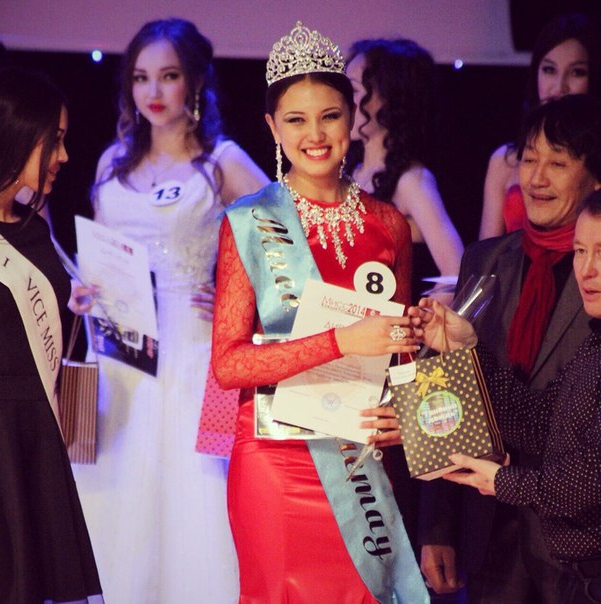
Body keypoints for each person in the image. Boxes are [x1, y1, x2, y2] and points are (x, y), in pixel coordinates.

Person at [211, 21, 428, 603]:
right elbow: (229, 365)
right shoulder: (248, 221)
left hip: (360, 460)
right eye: (295, 120)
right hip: (274, 461)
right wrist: (341, 341)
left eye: (329, 115)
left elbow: (400, 355)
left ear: (353, 117)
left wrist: (403, 414)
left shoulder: (388, 224)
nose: (314, 135)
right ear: (271, 127)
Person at [70, 19, 268, 604]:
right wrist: (84, 289)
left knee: (190, 481)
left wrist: (239, 296)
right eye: (140, 78)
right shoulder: (112, 163)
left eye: (168, 76)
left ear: (196, 82)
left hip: (193, 344)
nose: (152, 91)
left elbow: (290, 245)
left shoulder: (221, 162)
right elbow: (100, 253)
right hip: (119, 345)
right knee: (119, 476)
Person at [419, 93, 601, 603]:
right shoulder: (485, 262)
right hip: (489, 527)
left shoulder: (592, 294)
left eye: (558, 163)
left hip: (579, 541)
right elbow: (533, 417)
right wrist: (438, 524)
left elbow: (584, 468)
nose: (537, 178)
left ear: (594, 178)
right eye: (528, 159)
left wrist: (506, 481)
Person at [0, 67, 102, 603]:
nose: (63, 156)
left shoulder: (35, 227)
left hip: (35, 440)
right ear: (17, 134)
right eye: (53, 140)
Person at [346, 38, 463, 298]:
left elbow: (456, 274)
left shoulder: (411, 181)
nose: (342, 100)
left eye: (353, 90)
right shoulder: (351, 172)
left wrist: (416, 317)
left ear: (389, 98)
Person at [479, 12, 601, 240]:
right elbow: (486, 251)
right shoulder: (504, 160)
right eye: (549, 70)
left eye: (577, 72)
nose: (559, 87)